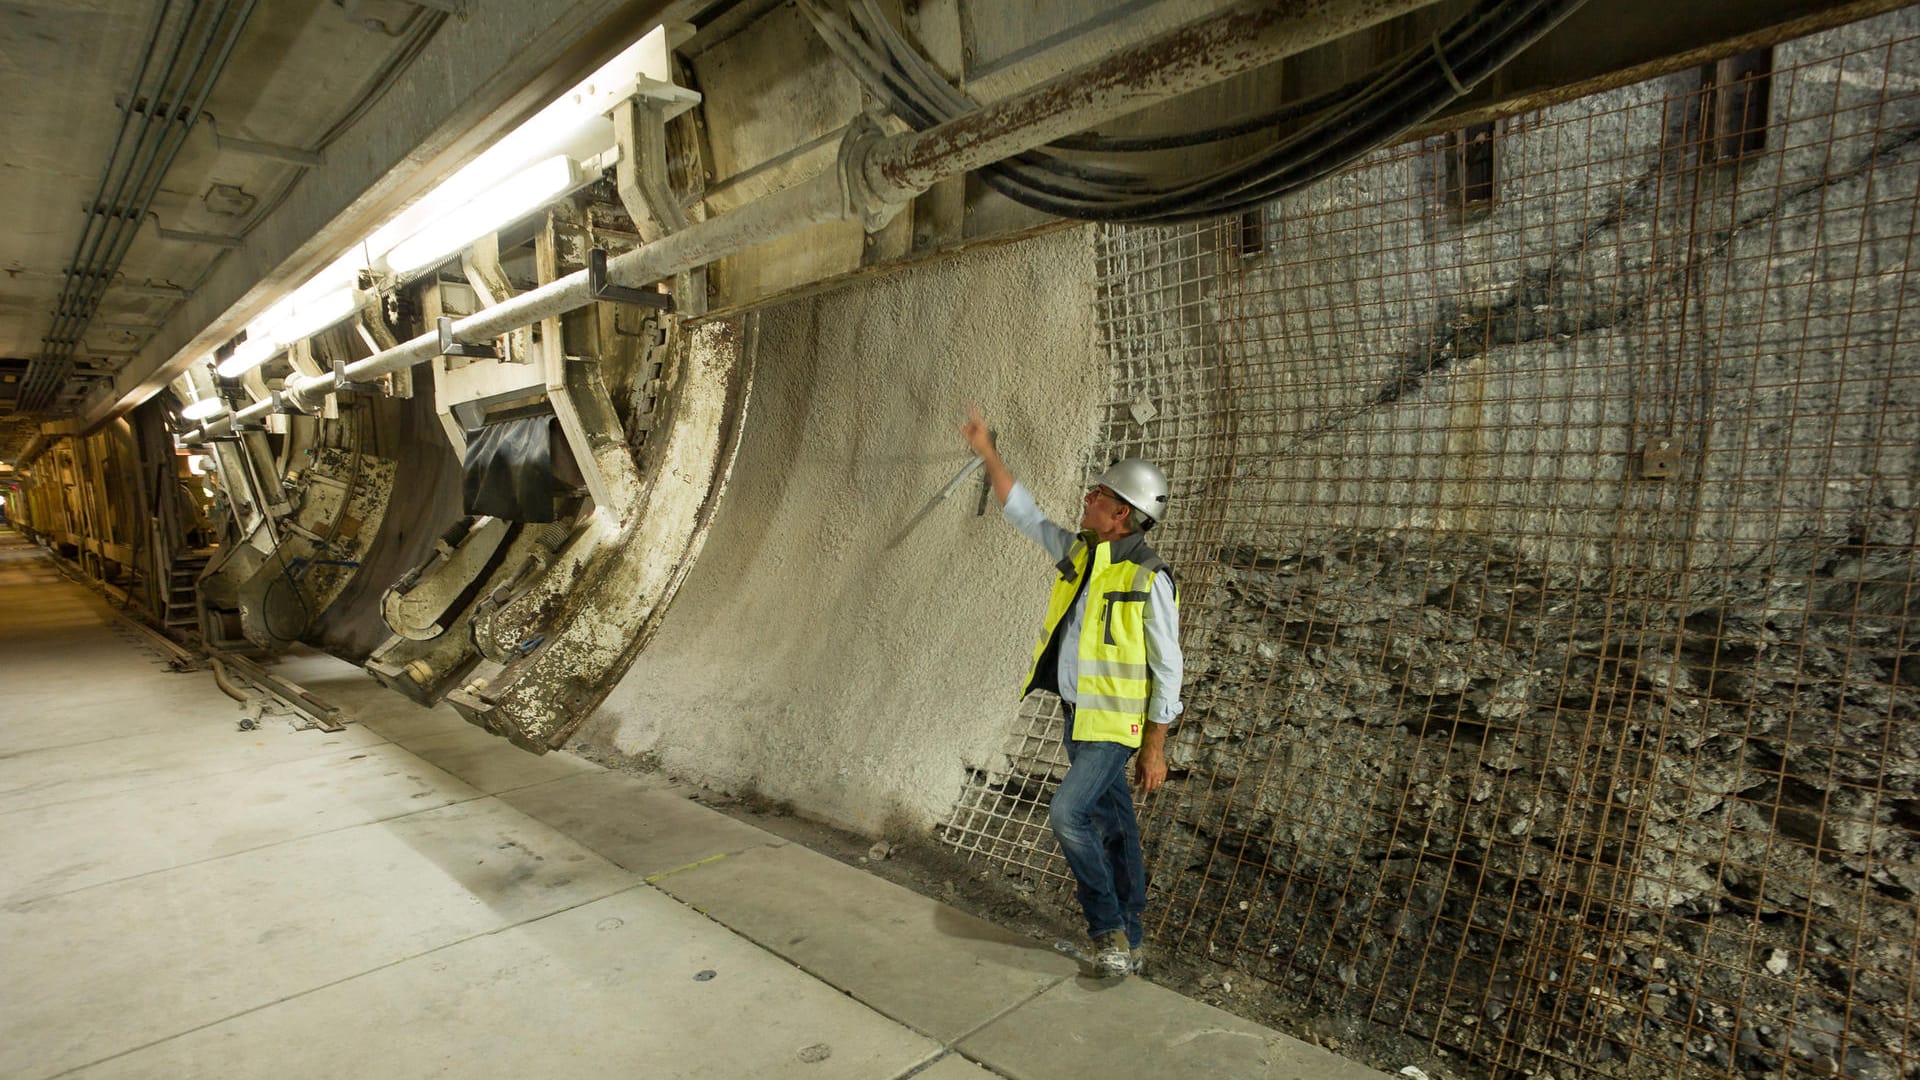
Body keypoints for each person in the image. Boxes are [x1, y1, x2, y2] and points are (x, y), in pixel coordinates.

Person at [960, 405, 1182, 978]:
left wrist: (1155, 746)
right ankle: (1131, 939)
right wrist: (987, 451)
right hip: (1075, 717)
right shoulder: (1082, 554)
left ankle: (1105, 927)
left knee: (1066, 814)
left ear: (1122, 515)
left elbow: (1169, 667)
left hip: (1112, 728)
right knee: (1116, 825)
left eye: (1100, 494)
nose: (1088, 497)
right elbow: (1026, 514)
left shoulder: (1149, 577)